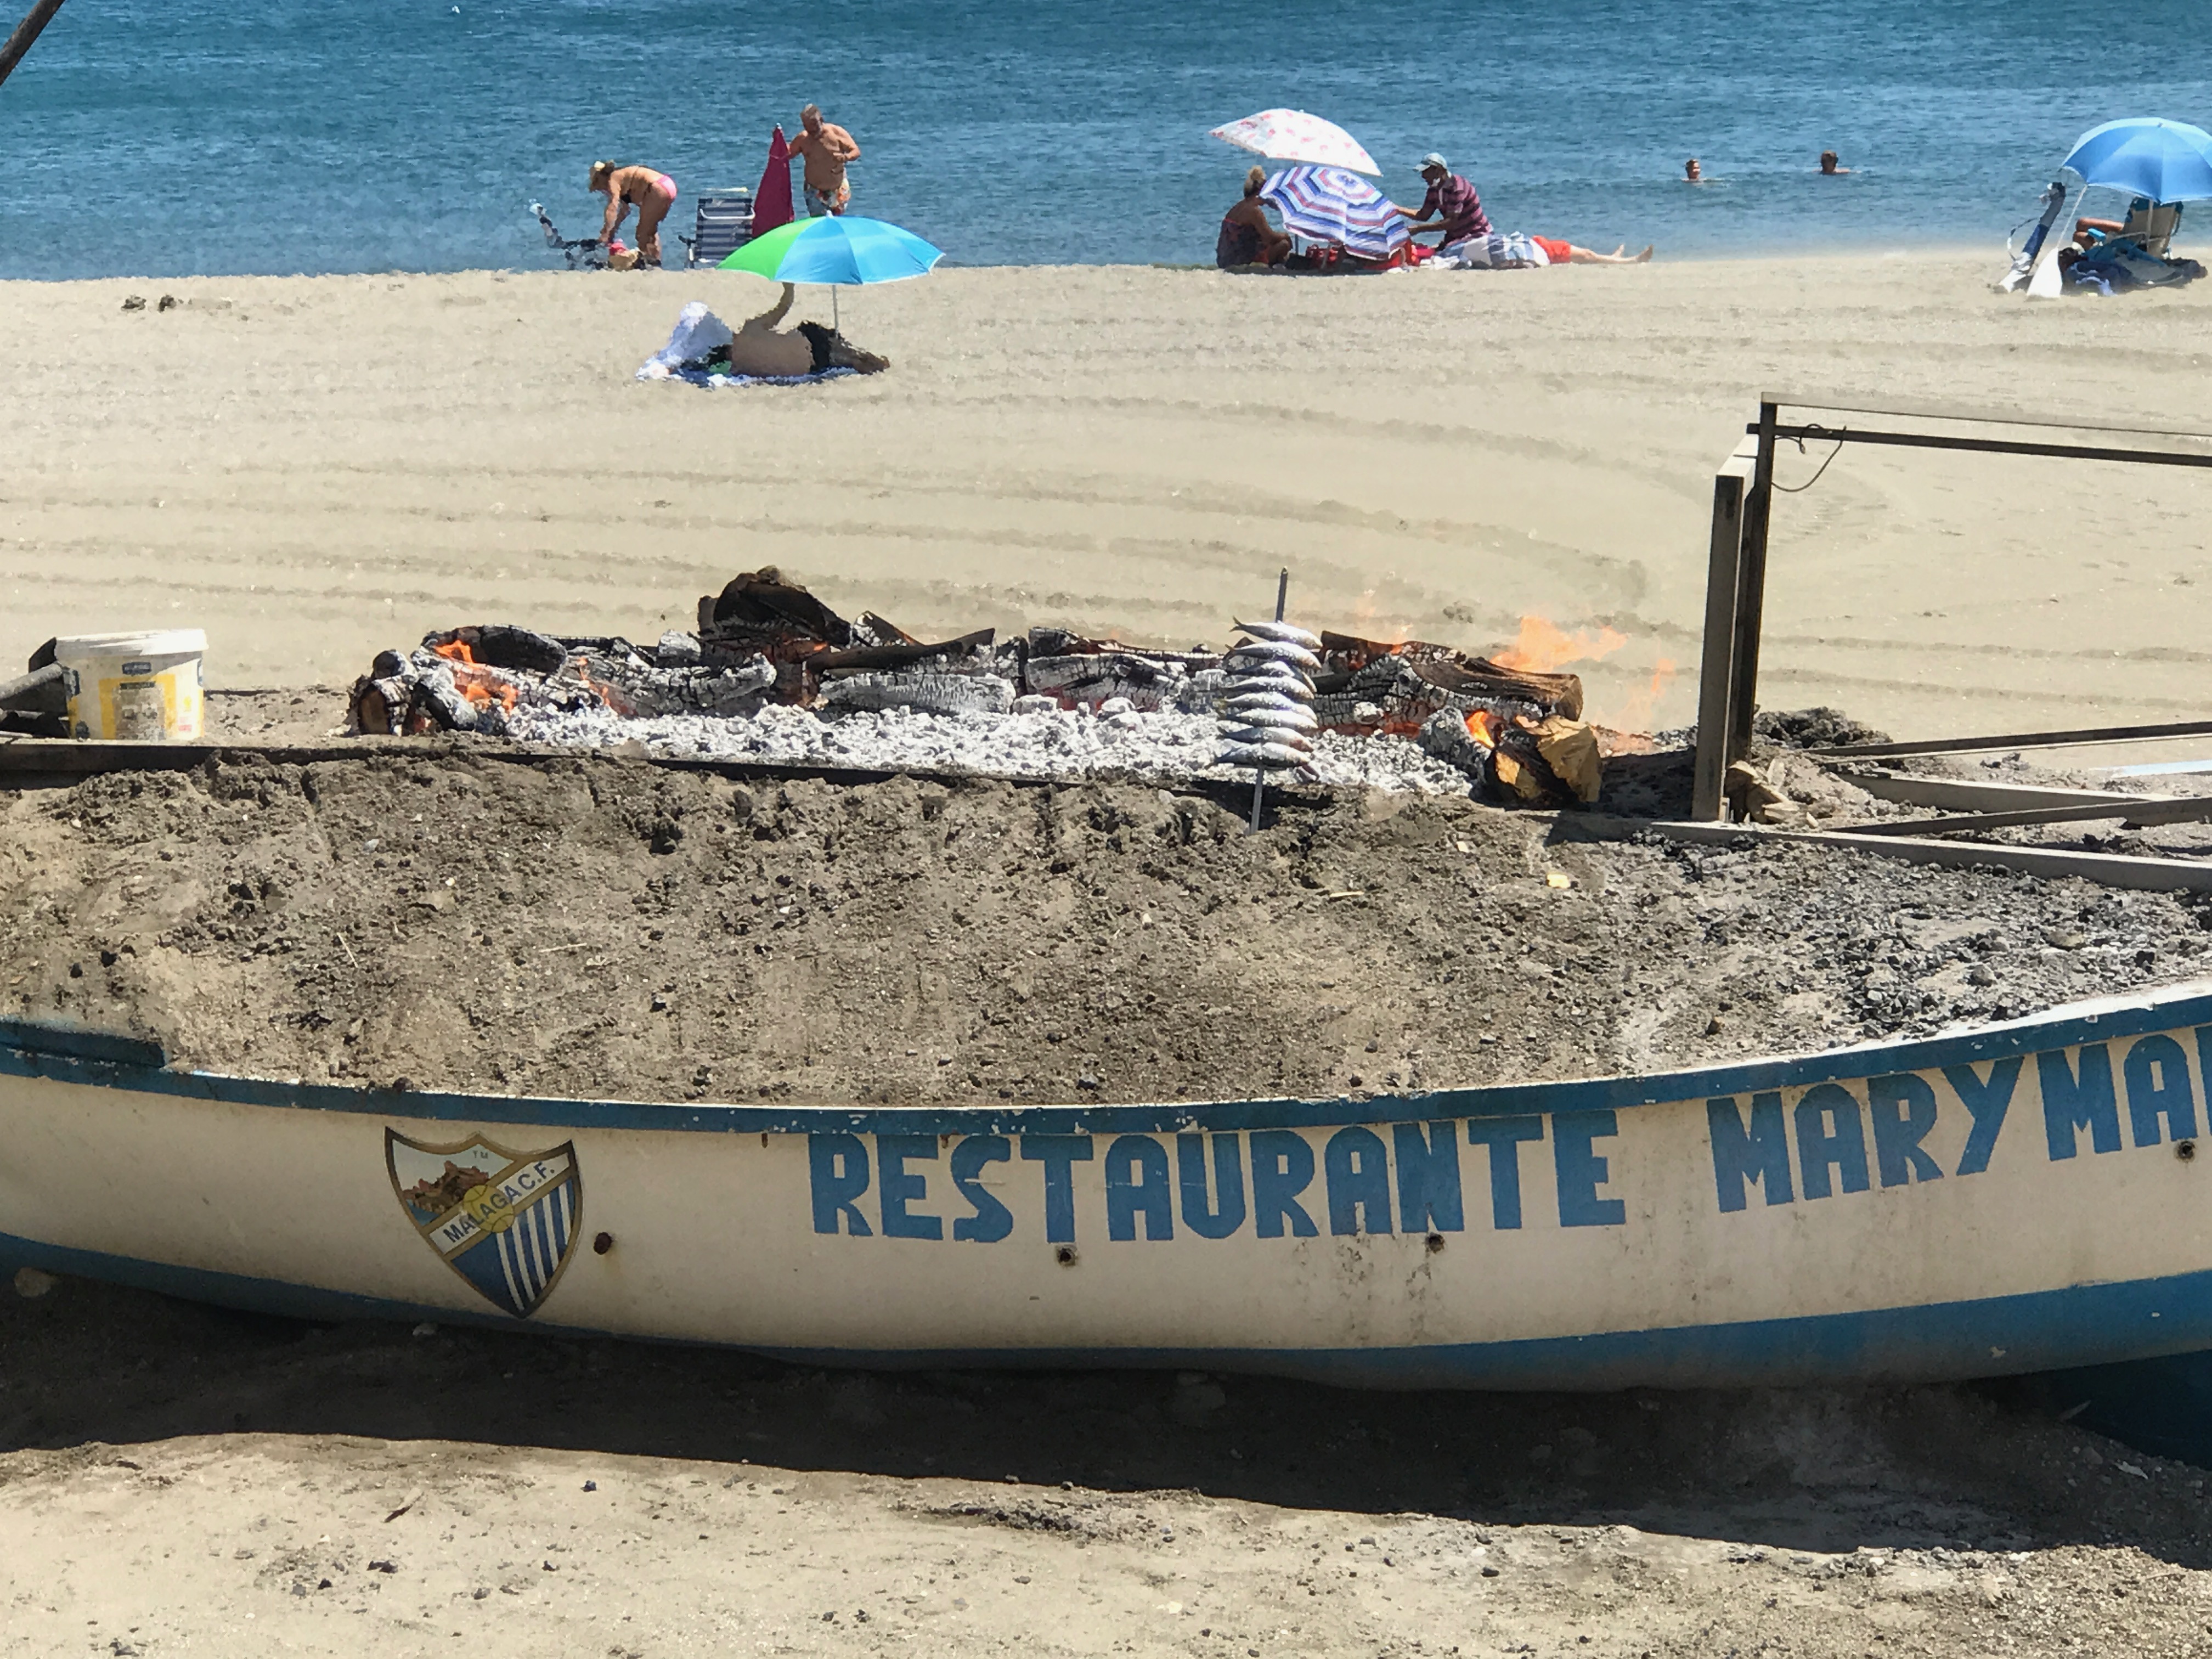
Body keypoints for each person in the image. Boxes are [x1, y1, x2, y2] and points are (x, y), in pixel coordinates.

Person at [706, 284, 889, 377]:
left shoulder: (741, 369)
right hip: (806, 343)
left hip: (807, 366)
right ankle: (862, 356)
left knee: (837, 358)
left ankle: (855, 361)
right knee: (815, 332)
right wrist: (788, 287)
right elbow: (784, 306)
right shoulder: (749, 329)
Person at [589, 161, 676, 267]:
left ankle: (648, 264)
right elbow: (624, 211)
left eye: (597, 183)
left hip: (656, 188)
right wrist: (612, 232)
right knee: (650, 230)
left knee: (642, 233)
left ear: (602, 177)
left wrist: (605, 233)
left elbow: (613, 207)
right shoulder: (622, 180)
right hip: (667, 185)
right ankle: (655, 263)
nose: (600, 188)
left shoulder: (613, 178)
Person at [1396, 153, 1491, 243]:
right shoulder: (1434, 191)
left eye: (1426, 171)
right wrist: (1397, 209)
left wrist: (1419, 229)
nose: (1423, 176)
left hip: (1477, 235)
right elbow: (1423, 215)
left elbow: (1450, 222)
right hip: (1456, 237)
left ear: (1438, 170)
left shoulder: (1458, 188)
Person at [789, 103, 861, 217]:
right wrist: (778, 142)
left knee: (836, 223)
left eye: (814, 125)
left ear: (821, 120)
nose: (812, 130)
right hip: (815, 192)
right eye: (807, 127)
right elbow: (788, 154)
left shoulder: (836, 133)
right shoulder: (803, 139)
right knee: (820, 222)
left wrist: (845, 157)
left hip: (839, 190)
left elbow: (856, 151)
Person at [1217, 166, 1291, 267]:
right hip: (1240, 260)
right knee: (1284, 244)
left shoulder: (1237, 208)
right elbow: (1270, 237)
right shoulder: (1254, 212)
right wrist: (1285, 235)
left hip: (1224, 259)